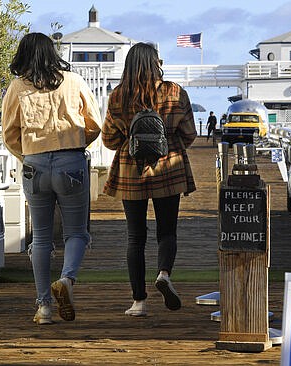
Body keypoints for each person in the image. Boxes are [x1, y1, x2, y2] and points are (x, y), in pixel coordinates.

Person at [1, 32, 102, 324]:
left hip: (35, 165)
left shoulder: (17, 87)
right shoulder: (73, 81)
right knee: (77, 233)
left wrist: (29, 155)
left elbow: (10, 134)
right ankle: (67, 280)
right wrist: (78, 145)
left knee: (42, 238)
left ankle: (44, 306)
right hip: (71, 161)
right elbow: (94, 124)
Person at [102, 43, 197, 317]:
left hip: (131, 172)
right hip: (169, 169)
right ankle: (164, 274)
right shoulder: (175, 92)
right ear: (156, 63)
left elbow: (108, 140)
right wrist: (168, 143)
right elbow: (189, 133)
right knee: (167, 231)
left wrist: (130, 140)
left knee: (135, 237)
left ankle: (139, 302)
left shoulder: (118, 96)